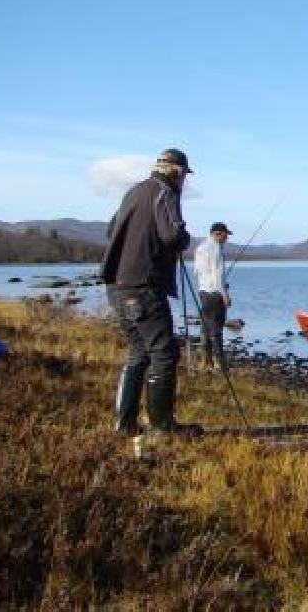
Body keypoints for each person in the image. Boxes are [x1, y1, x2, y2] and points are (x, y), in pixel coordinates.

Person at [101, 148, 200, 437]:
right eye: (184, 176)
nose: (184, 182)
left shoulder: (133, 191)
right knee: (164, 353)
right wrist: (184, 238)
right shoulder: (164, 192)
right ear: (177, 172)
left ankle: (124, 425)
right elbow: (171, 235)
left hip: (116, 284)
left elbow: (111, 231)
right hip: (142, 286)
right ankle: (162, 427)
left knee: (139, 352)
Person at [194, 221, 232, 370]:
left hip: (203, 292)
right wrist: (225, 294)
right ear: (218, 234)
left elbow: (198, 272)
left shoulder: (200, 248)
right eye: (225, 235)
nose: (226, 238)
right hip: (215, 294)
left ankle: (205, 361)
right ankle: (218, 364)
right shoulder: (216, 249)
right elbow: (217, 276)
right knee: (216, 329)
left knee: (205, 327)